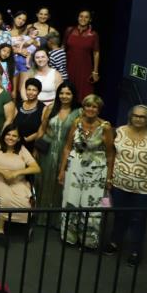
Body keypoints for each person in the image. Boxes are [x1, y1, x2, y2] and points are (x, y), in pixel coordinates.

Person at [105, 105, 147, 266]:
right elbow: (111, 155)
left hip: (146, 188)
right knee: (120, 216)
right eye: (135, 115)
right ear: (130, 116)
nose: (138, 119)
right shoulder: (119, 132)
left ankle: (135, 250)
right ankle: (114, 242)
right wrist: (109, 178)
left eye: (142, 117)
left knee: (138, 218)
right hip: (120, 184)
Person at [57, 94, 115, 249]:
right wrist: (62, 170)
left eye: (94, 106)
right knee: (72, 201)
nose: (90, 109)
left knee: (93, 204)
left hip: (96, 172)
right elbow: (67, 148)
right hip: (75, 169)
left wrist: (109, 178)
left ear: (99, 109)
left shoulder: (106, 127)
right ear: (83, 107)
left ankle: (89, 241)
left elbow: (110, 154)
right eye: (88, 105)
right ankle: (69, 237)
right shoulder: (76, 123)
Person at [36, 82, 80, 226]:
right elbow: (42, 129)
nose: (64, 96)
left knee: (61, 184)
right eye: (61, 93)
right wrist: (36, 149)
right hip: (47, 151)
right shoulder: (50, 108)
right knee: (44, 182)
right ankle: (41, 218)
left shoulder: (79, 112)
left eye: (68, 93)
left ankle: (57, 221)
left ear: (73, 95)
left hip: (66, 151)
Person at [0, 125, 40, 234]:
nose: (10, 138)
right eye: (8, 134)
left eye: (14, 136)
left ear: (19, 138)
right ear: (3, 135)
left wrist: (17, 173)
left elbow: (36, 168)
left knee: (24, 202)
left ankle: (16, 226)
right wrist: (2, 172)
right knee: (6, 198)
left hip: (18, 181)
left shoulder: (22, 150)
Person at [15, 78, 46, 152]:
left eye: (34, 90)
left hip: (32, 145)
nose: (31, 92)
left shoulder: (43, 108)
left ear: (39, 92)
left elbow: (43, 129)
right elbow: (11, 123)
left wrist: (28, 139)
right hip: (15, 142)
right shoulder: (18, 105)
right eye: (29, 89)